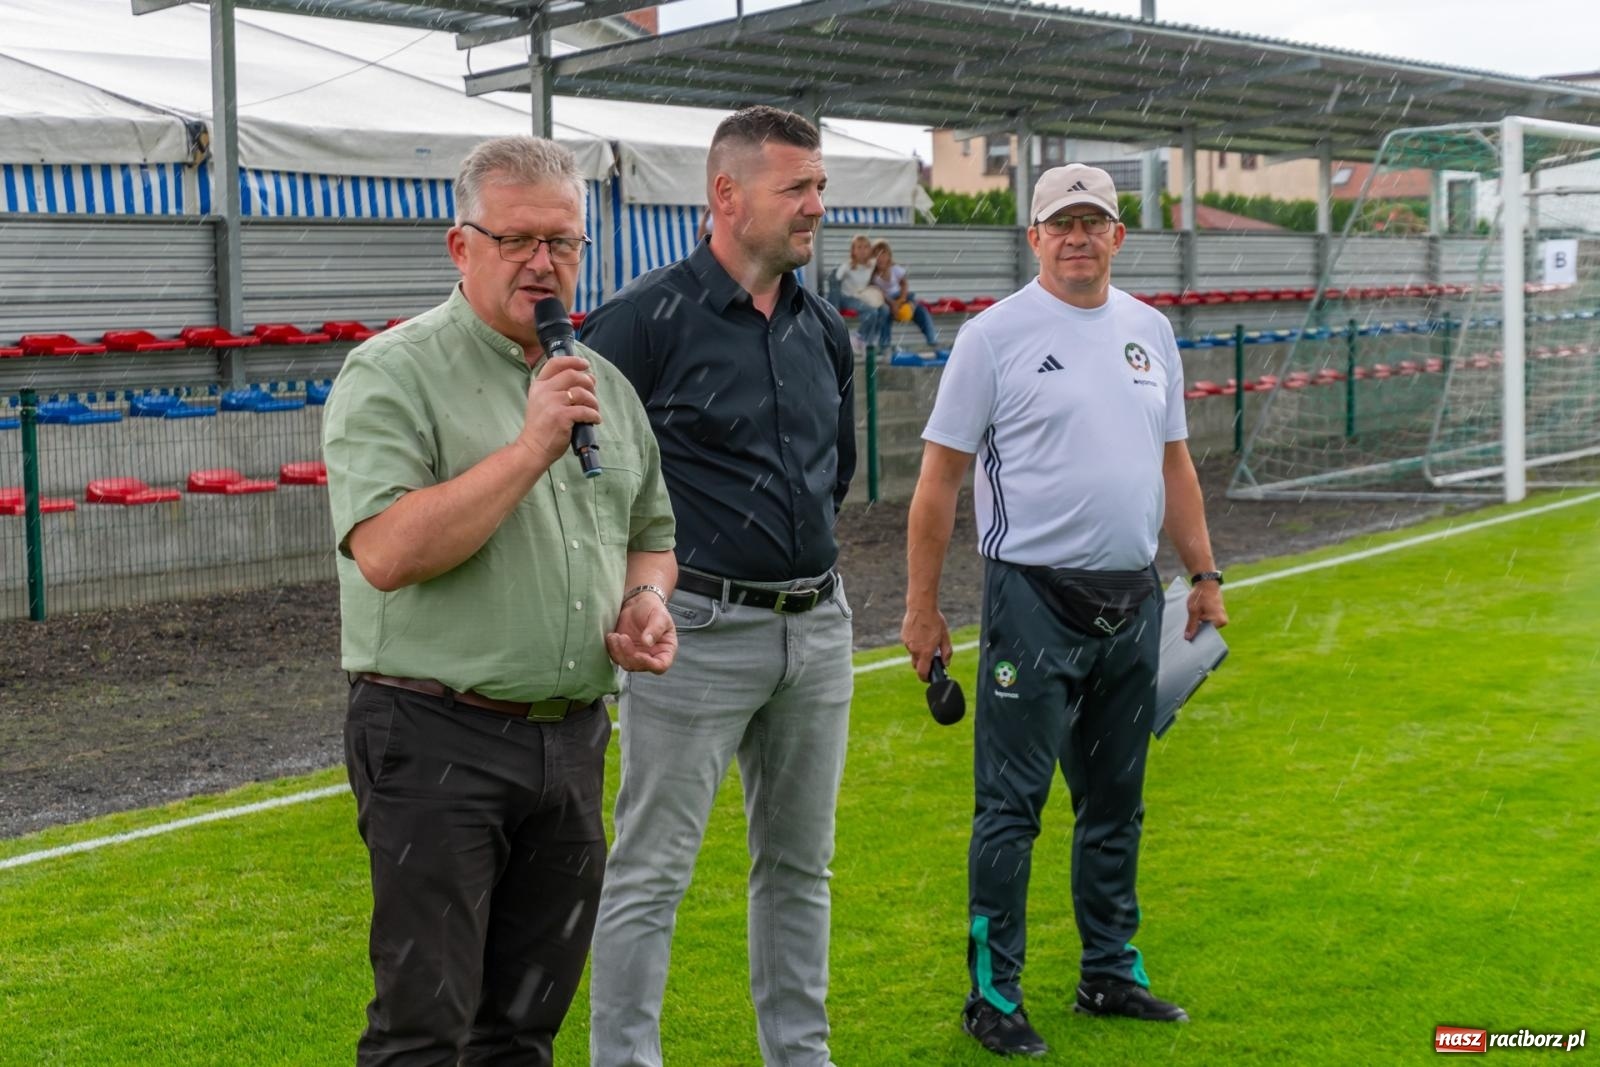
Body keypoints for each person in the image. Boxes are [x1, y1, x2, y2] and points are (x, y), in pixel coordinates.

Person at [322, 135, 678, 1067]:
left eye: (563, 242)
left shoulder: (606, 387)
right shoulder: (392, 373)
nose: (543, 263)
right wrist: (527, 450)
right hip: (435, 733)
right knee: (423, 1028)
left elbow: (652, 528)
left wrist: (645, 598)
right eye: (516, 238)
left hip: (571, 739)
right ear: (460, 245)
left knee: (523, 1028)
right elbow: (389, 553)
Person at [899, 163, 1228, 1057]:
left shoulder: (1151, 332)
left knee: (1116, 802)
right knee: (1011, 807)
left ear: (1119, 236)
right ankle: (990, 992)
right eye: (1061, 223)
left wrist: (1204, 574)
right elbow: (938, 481)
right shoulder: (993, 337)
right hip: (1031, 602)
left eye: (1095, 222)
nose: (1078, 237)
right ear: (1035, 237)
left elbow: (1175, 468)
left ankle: (1109, 972)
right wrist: (922, 609)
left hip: (1134, 599)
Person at [582, 105, 857, 1067]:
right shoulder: (640, 321)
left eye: (820, 185)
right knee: (651, 872)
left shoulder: (827, 331)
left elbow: (835, 477)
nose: (816, 205)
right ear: (727, 195)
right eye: (798, 187)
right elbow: (577, 479)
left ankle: (800, 1056)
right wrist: (630, 593)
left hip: (818, 628)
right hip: (692, 631)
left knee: (800, 870)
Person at [869, 238, 947, 357]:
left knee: (922, 312)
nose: (880, 258)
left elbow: (904, 284)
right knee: (884, 314)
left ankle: (933, 342)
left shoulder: (895, 269)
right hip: (886, 301)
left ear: (889, 256)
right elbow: (880, 293)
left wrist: (902, 300)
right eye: (877, 255)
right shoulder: (873, 276)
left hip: (902, 297)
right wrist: (892, 304)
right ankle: (885, 346)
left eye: (883, 254)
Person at [829, 232, 889, 353]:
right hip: (848, 298)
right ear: (853, 251)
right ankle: (859, 336)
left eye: (866, 247)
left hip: (863, 295)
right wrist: (834, 306)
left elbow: (885, 260)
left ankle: (871, 340)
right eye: (859, 247)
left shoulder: (872, 263)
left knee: (885, 310)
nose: (863, 251)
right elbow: (834, 279)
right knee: (871, 312)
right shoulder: (847, 266)